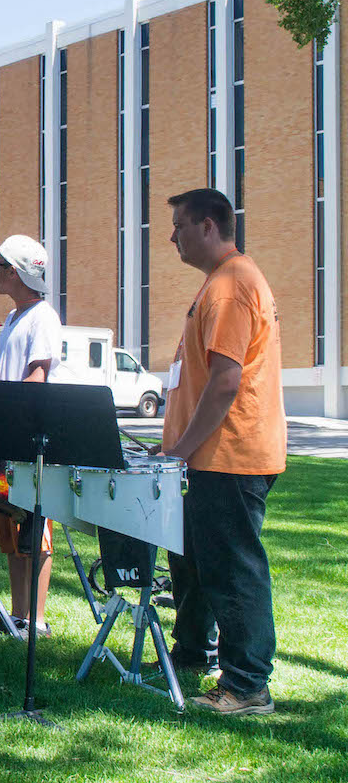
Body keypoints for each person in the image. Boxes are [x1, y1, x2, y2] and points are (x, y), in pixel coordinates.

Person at [155, 188, 285, 716]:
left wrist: (181, 451)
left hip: (229, 458)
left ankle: (248, 685)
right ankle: (192, 654)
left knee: (233, 570)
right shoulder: (221, 283)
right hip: (210, 459)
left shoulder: (231, 287)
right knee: (193, 562)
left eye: (179, 227)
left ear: (208, 227)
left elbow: (226, 383)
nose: (172, 237)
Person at [0, 233, 63, 638]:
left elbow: (38, 376)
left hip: (29, 440)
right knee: (10, 533)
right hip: (5, 438)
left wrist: (6, 410)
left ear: (14, 273)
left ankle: (36, 619)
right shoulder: (14, 318)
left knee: (34, 532)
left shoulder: (43, 317)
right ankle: (17, 616)